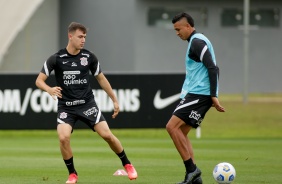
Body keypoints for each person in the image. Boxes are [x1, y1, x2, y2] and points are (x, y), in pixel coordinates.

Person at [35, 22, 137, 184]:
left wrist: (114, 100)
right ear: (70, 36)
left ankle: (127, 164)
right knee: (63, 138)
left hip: (87, 105)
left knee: (107, 136)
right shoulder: (56, 58)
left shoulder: (89, 57)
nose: (83, 40)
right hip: (66, 107)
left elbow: (101, 79)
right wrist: (49, 89)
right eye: (80, 37)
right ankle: (72, 174)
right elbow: (39, 81)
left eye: (85, 37)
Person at [166, 13, 225, 184]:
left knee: (171, 127)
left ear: (188, 26)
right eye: (175, 30)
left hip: (200, 94)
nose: (177, 33)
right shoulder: (195, 41)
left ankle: (192, 170)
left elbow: (213, 68)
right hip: (198, 94)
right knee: (182, 133)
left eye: (178, 29)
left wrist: (213, 96)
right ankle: (194, 179)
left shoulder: (197, 41)